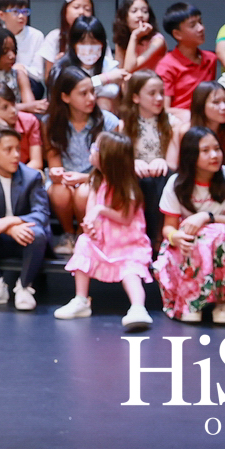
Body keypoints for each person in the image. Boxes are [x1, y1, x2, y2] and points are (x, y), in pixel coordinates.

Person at [53, 130, 156, 329]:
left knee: (130, 269)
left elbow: (126, 219)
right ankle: (81, 300)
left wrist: (101, 210)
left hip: (127, 240)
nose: (91, 150)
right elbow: (91, 212)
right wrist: (90, 227)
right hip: (103, 238)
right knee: (83, 243)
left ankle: (137, 307)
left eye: (96, 148)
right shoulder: (96, 180)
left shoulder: (128, 187)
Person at [155, 125, 225, 324]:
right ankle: (190, 301)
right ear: (190, 155)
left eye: (217, 149)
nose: (214, 155)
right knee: (188, 237)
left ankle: (223, 302)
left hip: (224, 240)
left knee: (219, 233)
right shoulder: (176, 183)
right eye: (205, 151)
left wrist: (205, 216)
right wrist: (174, 236)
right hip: (189, 242)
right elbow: (168, 227)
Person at [0, 123, 52, 310]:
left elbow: (41, 214)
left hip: (25, 238)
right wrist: (8, 228)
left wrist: (10, 221)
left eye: (17, 149)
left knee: (38, 233)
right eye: (8, 150)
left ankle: (24, 287)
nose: (16, 155)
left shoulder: (32, 177)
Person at [44, 66, 122, 252]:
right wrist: (57, 172)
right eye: (83, 93)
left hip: (96, 178)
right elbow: (53, 156)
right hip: (66, 179)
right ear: (65, 97)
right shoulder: (50, 122)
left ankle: (83, 232)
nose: (91, 98)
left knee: (84, 193)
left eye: (92, 92)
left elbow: (111, 168)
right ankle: (68, 234)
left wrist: (82, 178)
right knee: (59, 192)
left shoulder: (108, 122)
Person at [122, 69, 174, 244]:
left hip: (163, 177)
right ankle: (141, 238)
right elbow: (117, 160)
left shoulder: (172, 124)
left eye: (161, 93)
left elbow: (175, 163)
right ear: (136, 97)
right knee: (143, 183)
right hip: (136, 178)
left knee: (160, 181)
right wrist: (132, 163)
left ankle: (157, 239)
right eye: (152, 93)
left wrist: (162, 160)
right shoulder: (123, 126)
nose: (159, 98)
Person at [155, 3, 218, 112]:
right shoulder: (166, 66)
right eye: (193, 25)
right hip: (179, 120)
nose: (201, 28)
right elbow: (164, 109)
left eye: (200, 22)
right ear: (177, 34)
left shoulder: (211, 59)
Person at [0, 82, 44, 169]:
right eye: (5, 107)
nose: (13, 110)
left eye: (13, 104)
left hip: (26, 172)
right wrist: (3, 130)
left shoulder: (30, 121)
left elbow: (36, 162)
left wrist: (19, 177)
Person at [113, 0, 168, 79]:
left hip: (154, 83)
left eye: (145, 11)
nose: (140, 15)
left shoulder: (157, 40)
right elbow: (120, 71)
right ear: (124, 16)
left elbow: (129, 68)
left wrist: (134, 36)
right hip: (131, 84)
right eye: (134, 11)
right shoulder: (121, 40)